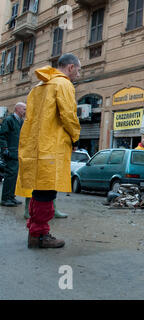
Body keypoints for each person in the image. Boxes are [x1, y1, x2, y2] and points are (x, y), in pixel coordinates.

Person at [17, 53, 81, 249]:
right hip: (52, 147)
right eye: (78, 70)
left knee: (39, 191)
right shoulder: (63, 84)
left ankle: (35, 233)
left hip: (37, 147)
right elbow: (68, 115)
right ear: (70, 67)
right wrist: (75, 137)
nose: (78, 74)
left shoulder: (38, 87)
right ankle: (40, 235)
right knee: (47, 193)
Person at [0, 102, 26, 207]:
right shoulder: (9, 120)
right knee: (10, 176)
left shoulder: (20, 121)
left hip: (17, 153)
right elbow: (2, 136)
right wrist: (5, 148)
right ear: (17, 109)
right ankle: (5, 198)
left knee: (15, 176)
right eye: (24, 109)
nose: (25, 111)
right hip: (10, 153)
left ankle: (11, 197)